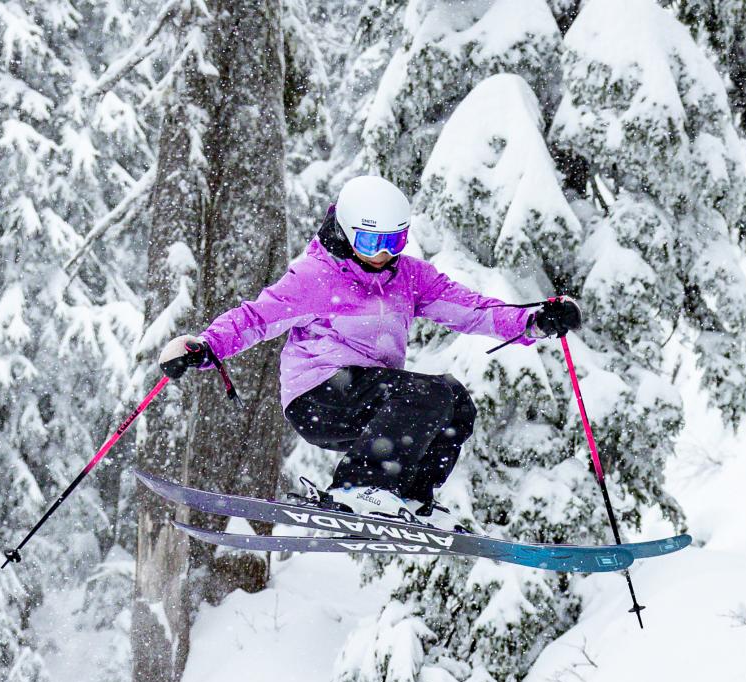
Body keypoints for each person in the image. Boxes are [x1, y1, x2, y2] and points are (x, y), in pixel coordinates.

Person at [157, 175, 582, 525]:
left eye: (393, 242)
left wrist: (533, 322)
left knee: (454, 401)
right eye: (368, 242)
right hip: (319, 396)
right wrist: (206, 346)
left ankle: (410, 496)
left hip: (372, 400)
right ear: (344, 231)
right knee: (424, 394)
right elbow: (256, 318)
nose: (381, 255)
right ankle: (358, 488)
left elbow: (469, 309)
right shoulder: (316, 277)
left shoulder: (409, 278)